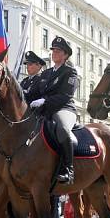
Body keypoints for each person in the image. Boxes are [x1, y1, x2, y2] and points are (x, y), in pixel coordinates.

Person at [24, 36, 79, 184]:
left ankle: (69, 170)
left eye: (58, 51)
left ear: (65, 54)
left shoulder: (70, 72)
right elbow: (32, 93)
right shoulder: (46, 73)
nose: (54, 53)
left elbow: (66, 95)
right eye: (53, 50)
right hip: (45, 110)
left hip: (64, 108)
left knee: (62, 128)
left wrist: (45, 101)